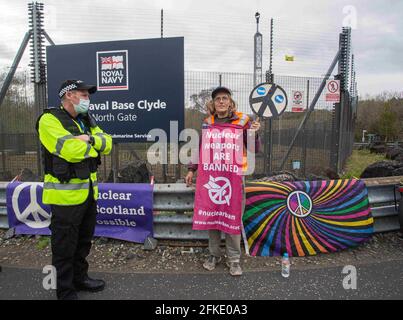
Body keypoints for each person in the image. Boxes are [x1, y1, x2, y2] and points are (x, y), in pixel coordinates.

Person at [36, 79, 112, 299]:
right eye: (84, 94)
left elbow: (107, 143)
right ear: (69, 95)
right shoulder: (49, 120)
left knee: (83, 242)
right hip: (64, 198)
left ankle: (80, 278)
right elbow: (69, 150)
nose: (88, 98)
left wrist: (87, 138)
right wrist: (92, 146)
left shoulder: (85, 119)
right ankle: (65, 291)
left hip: (88, 194)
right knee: (64, 247)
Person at [185, 86, 261, 276]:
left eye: (224, 98)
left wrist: (254, 134)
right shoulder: (207, 123)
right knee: (211, 217)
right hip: (211, 178)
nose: (221, 101)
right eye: (217, 98)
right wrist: (191, 169)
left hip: (234, 179)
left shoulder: (243, 121)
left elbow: (254, 149)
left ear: (230, 102)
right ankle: (214, 254)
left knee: (232, 217)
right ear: (213, 103)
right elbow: (200, 148)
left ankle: (234, 259)